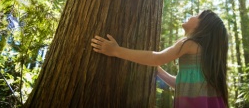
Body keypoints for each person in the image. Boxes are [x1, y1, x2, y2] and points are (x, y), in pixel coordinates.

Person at [91, 9, 228, 107]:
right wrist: (158, 71)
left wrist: (116, 50)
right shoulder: (204, 59)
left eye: (197, 15)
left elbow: (157, 58)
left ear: (203, 26)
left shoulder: (188, 43)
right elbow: (182, 85)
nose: (192, 15)